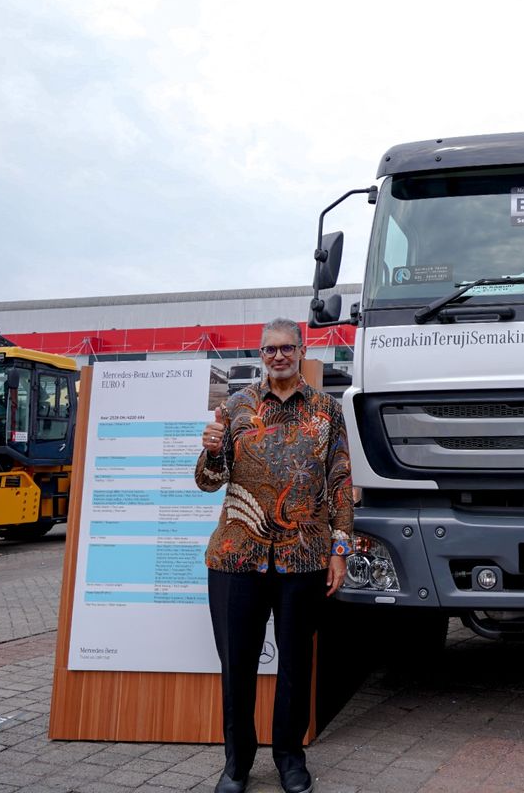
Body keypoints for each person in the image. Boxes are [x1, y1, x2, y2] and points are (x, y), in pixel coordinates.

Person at [196, 317, 352, 793]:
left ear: (300, 351)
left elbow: (341, 483)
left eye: (286, 348)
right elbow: (207, 482)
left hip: (303, 558)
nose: (278, 356)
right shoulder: (235, 406)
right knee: (237, 665)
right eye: (269, 350)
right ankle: (236, 764)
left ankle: (289, 757)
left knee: (294, 666)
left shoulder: (326, 409)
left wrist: (340, 549)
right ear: (260, 354)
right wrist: (210, 452)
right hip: (237, 557)